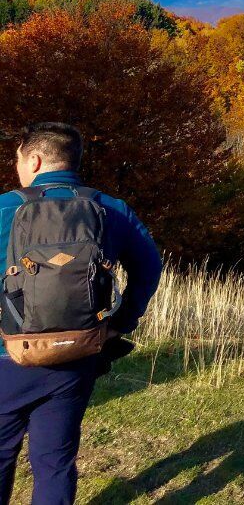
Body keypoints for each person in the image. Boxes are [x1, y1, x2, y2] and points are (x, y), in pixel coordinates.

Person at [0, 123, 162, 505]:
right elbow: (149, 268)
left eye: (18, 159)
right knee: (54, 461)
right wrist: (120, 323)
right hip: (77, 352)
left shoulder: (4, 208)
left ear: (34, 159)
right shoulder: (110, 209)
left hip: (6, 356)